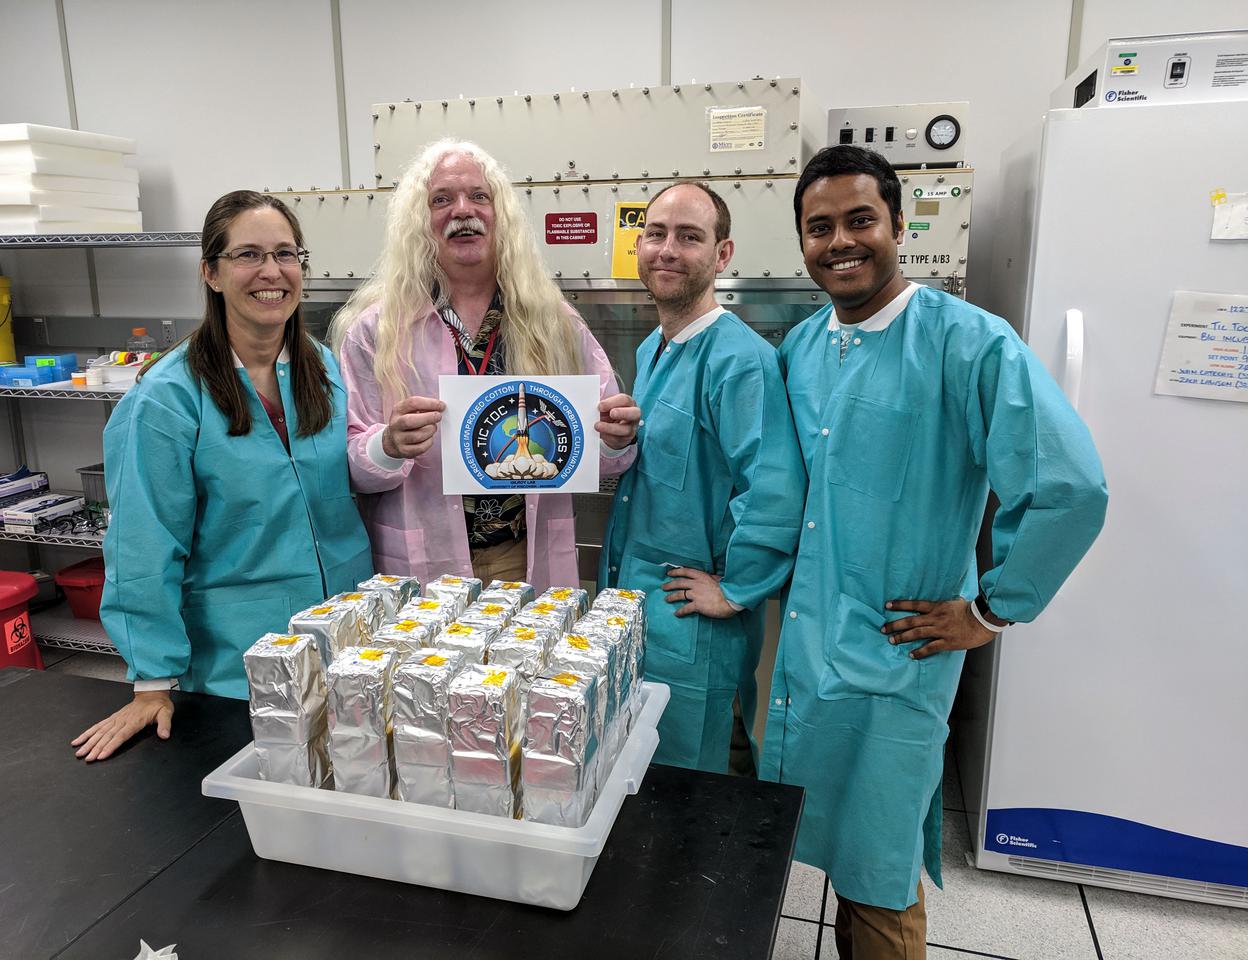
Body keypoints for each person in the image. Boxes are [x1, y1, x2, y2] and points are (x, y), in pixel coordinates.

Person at [759, 146, 1108, 959]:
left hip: (897, 653)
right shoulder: (802, 348)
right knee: (822, 843)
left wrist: (992, 609)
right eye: (819, 227)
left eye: (859, 220)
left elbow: (1070, 487)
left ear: (897, 225)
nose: (840, 242)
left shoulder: (969, 344)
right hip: (811, 645)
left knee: (878, 871)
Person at [72, 191, 373, 762]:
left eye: (286, 253)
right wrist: (152, 681)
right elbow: (143, 543)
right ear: (210, 272)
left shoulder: (321, 367)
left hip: (347, 645)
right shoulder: (167, 399)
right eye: (248, 255)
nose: (271, 272)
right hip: (242, 663)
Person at [330, 139, 639, 589]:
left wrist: (615, 438)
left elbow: (606, 454)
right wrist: (388, 445)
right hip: (423, 564)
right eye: (441, 199)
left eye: (479, 196)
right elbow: (350, 466)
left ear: (500, 215)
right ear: (420, 221)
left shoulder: (553, 321)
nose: (462, 210)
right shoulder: (376, 330)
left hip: (524, 558)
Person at [599, 181, 804, 774]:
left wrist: (736, 588)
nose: (668, 249)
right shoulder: (653, 350)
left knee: (690, 789)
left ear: (722, 255)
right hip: (638, 604)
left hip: (692, 626)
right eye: (656, 234)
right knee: (640, 777)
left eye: (690, 237)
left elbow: (774, 491)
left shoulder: (739, 361)